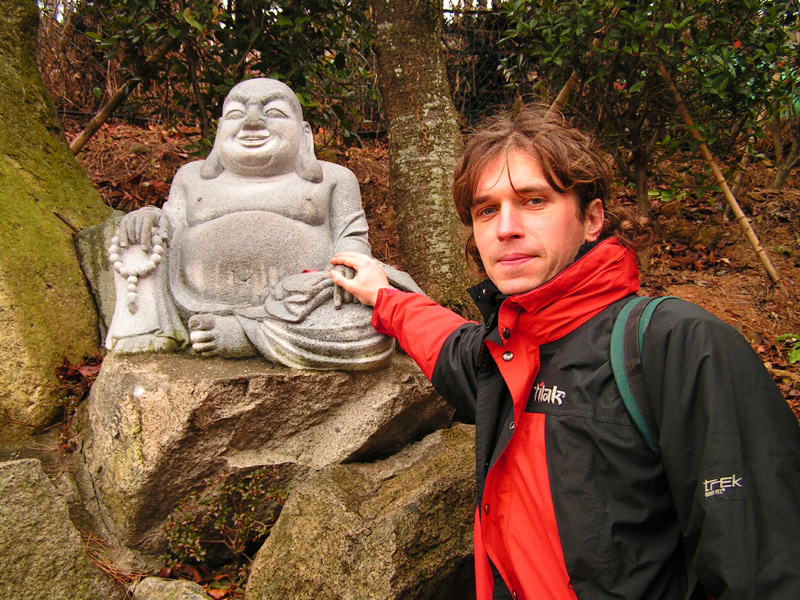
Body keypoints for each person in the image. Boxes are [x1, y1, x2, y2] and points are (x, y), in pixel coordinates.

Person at [329, 106, 800, 599]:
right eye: (486, 210)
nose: (505, 227)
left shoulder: (677, 347)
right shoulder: (505, 353)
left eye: (533, 201)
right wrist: (384, 297)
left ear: (591, 217)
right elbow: (447, 344)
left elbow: (766, 566)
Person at [105, 78, 419, 370]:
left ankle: (245, 333)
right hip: (195, 305)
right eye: (236, 113)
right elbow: (169, 226)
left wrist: (350, 266)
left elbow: (352, 238)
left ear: (304, 132)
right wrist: (148, 216)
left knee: (371, 337)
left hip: (303, 307)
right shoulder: (191, 178)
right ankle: (176, 328)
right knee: (141, 233)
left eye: (274, 112)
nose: (252, 122)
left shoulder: (334, 178)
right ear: (219, 130)